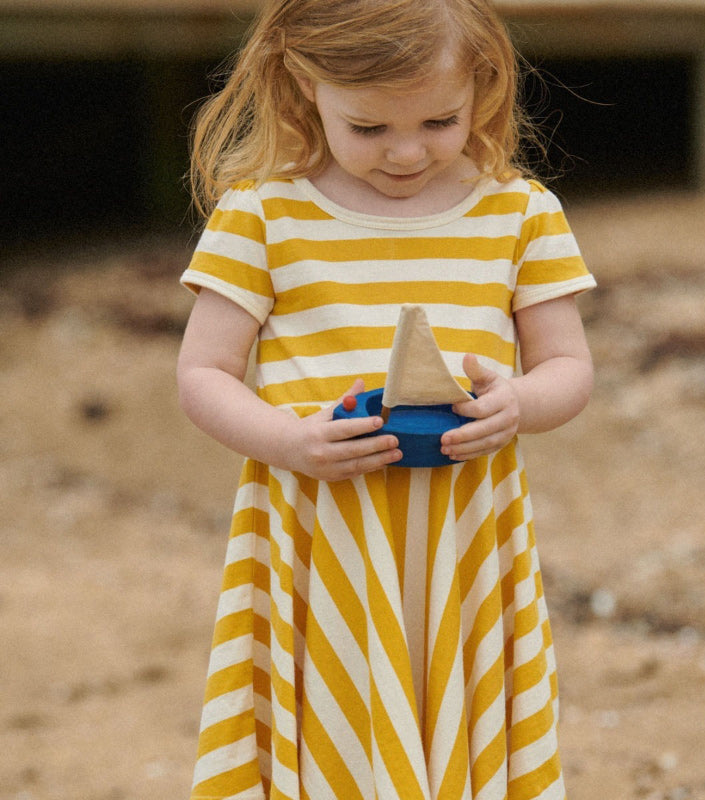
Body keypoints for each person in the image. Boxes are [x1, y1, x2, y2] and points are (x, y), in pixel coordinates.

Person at [176, 1, 596, 798]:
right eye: (369, 129)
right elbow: (203, 373)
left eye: (440, 120)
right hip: (321, 529)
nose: (407, 152)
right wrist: (286, 440)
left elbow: (568, 365)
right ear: (306, 88)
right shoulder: (262, 213)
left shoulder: (519, 211)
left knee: (457, 709)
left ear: (482, 84)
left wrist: (521, 403)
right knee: (335, 711)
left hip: (465, 533)